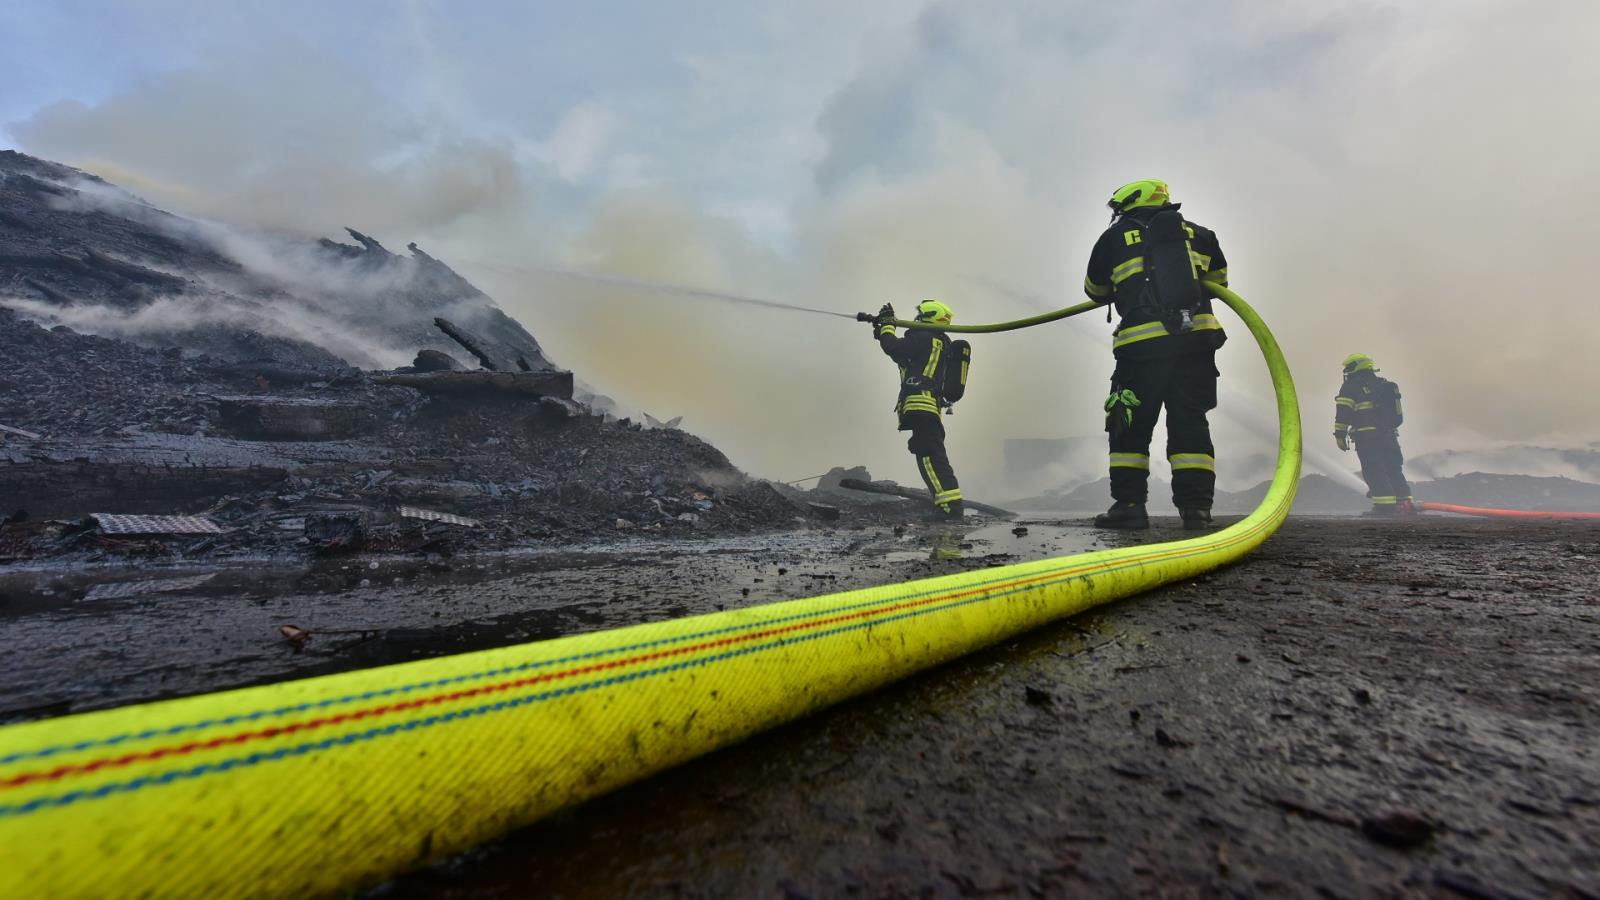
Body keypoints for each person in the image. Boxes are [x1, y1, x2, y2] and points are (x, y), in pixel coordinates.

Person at [1082, 179, 1229, 530]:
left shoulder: (1113, 238)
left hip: (1141, 350)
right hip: (1195, 346)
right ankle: (1196, 510)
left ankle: (1130, 506)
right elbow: (1219, 282)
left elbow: (1095, 289)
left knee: (1129, 425)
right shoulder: (1201, 234)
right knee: (1190, 423)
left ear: (1130, 203)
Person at [872, 299, 964, 519]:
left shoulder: (923, 336)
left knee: (930, 456)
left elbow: (894, 347)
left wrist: (888, 326)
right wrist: (883, 331)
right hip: (928, 406)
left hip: (919, 403)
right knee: (930, 454)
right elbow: (901, 356)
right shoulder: (938, 342)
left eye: (920, 315)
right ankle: (947, 505)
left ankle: (950, 508)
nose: (916, 319)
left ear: (929, 317)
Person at [1334, 353, 1414, 515]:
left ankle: (1384, 507)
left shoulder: (1350, 387)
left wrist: (1340, 435)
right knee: (1393, 468)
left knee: (1374, 470)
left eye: (1348, 368)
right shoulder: (1384, 385)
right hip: (1390, 436)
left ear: (1355, 367)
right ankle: (1405, 503)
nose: (1347, 372)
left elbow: (1343, 413)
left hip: (1367, 438)